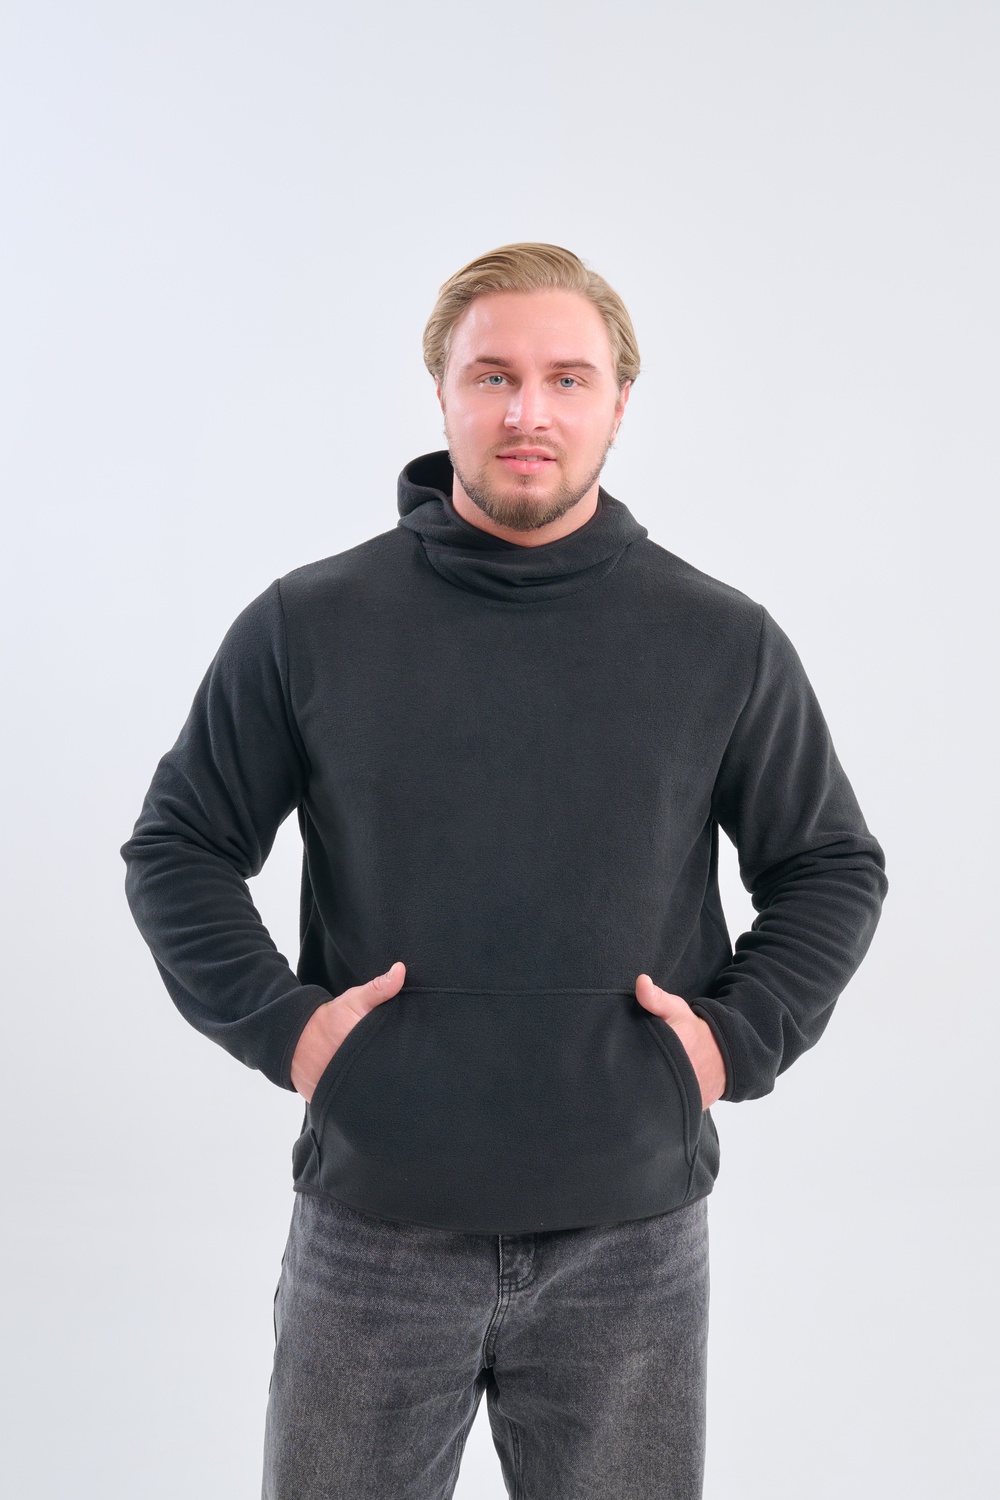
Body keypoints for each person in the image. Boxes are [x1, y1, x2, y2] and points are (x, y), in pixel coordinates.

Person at [121, 242, 887, 1500]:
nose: (530, 411)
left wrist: (727, 1046)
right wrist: (288, 1031)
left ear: (619, 402)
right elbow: (180, 846)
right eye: (494, 375)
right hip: (375, 1229)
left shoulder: (720, 640)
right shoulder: (310, 624)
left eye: (567, 378)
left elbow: (828, 865)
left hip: (629, 1241)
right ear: (442, 392)